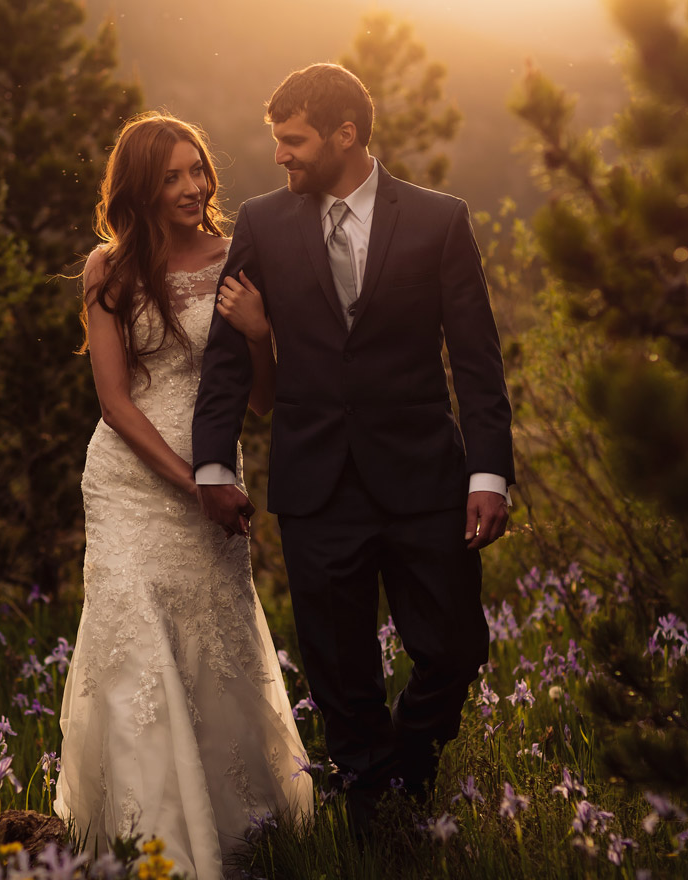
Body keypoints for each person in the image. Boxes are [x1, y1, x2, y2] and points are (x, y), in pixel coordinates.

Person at [191, 63, 516, 833]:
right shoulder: (264, 225)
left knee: (456, 647)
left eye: (293, 140)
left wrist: (490, 472)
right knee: (338, 667)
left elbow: (476, 358)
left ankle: (402, 767)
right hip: (316, 484)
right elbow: (227, 358)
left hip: (424, 478)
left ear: (345, 135)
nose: (279, 157)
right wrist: (212, 462)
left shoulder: (441, 220)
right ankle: (379, 817)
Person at [55, 111, 312, 880]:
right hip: (132, 481)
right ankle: (143, 840)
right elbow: (114, 401)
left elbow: (263, 402)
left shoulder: (237, 260)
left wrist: (261, 332)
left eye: (197, 168)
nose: (193, 186)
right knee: (133, 637)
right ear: (138, 187)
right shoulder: (109, 269)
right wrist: (193, 481)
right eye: (171, 175)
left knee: (211, 642)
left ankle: (239, 829)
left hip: (214, 474)